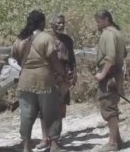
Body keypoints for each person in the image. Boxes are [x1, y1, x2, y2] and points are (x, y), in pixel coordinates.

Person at [11, 10, 69, 152]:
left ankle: (26, 146)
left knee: (26, 114)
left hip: (25, 80)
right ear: (42, 22)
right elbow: (54, 60)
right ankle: (54, 145)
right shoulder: (46, 37)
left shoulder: (20, 39)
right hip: (45, 80)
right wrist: (63, 74)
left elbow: (14, 58)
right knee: (51, 112)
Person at [37, 14, 77, 150]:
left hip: (64, 75)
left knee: (60, 107)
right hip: (48, 75)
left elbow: (72, 59)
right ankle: (45, 138)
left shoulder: (67, 40)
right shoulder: (45, 39)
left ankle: (55, 139)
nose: (61, 25)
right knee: (43, 108)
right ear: (52, 24)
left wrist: (74, 74)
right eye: (58, 23)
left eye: (63, 23)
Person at [94, 10, 128, 152]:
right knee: (111, 105)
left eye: (98, 21)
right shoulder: (117, 32)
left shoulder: (108, 34)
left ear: (106, 19)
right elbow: (124, 53)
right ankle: (117, 140)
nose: (97, 23)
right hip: (116, 74)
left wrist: (102, 74)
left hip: (109, 75)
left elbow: (110, 57)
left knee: (109, 108)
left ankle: (112, 143)